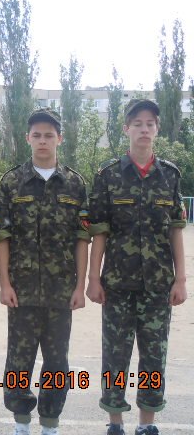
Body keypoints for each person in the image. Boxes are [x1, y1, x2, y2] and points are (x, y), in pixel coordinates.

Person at [86, 99, 187, 435]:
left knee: (154, 357)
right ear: (126, 128)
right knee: (115, 355)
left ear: (157, 129)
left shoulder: (169, 176)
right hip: (117, 284)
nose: (144, 129)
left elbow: (176, 230)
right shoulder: (108, 175)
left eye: (150, 124)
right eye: (138, 123)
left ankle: (147, 424)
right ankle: (115, 421)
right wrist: (93, 278)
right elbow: (99, 232)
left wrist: (181, 279)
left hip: (158, 285)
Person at [0, 108, 90, 435]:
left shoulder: (74, 184)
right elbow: (2, 237)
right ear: (28, 138)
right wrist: (4, 284)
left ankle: (50, 424)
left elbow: (81, 238)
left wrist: (80, 286)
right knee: (18, 360)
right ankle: (21, 423)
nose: (43, 140)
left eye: (49, 135)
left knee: (57, 361)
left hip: (61, 291)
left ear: (59, 138)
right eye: (37, 135)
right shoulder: (12, 182)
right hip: (21, 291)